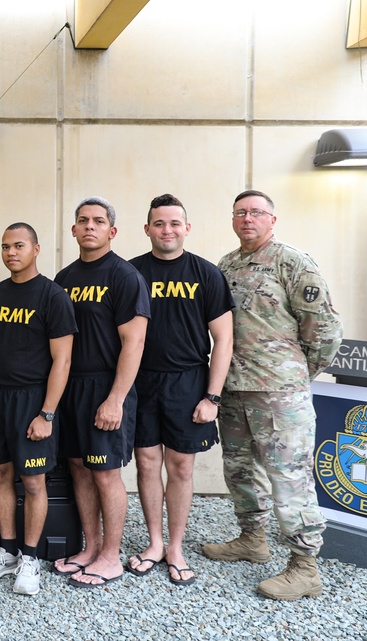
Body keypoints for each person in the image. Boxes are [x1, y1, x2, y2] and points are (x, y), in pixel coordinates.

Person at [202, 190, 342, 601]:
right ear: (232, 219)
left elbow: (325, 330)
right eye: (241, 212)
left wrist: (297, 373)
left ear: (272, 219)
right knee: (240, 470)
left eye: (257, 212)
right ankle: (252, 539)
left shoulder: (292, 262)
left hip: (280, 395)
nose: (248, 219)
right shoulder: (225, 265)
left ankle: (304, 567)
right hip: (234, 390)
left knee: (289, 479)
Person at [126, 195, 234, 586]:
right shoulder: (131, 273)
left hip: (188, 381)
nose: (167, 230)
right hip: (141, 380)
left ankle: (175, 547)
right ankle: (154, 543)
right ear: (147, 228)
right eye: (159, 223)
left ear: (186, 228)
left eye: (174, 223)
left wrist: (213, 397)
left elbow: (223, 339)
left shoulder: (206, 274)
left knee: (182, 466)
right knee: (147, 462)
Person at [0, 223, 76, 595]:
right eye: (5, 247)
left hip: (32, 400)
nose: (11, 252)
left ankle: (30, 558)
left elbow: (62, 361)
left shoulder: (53, 296)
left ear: (36, 249)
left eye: (18, 245)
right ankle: (8, 552)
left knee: (32, 482)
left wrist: (47, 414)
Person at [50, 197, 150, 588]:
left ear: (112, 230)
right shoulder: (64, 279)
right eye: (82, 220)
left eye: (98, 221)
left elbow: (135, 342)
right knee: (78, 468)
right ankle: (91, 548)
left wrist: (115, 398)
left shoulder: (124, 276)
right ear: (73, 230)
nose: (89, 226)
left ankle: (111, 556)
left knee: (106, 474)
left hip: (105, 386)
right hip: (70, 387)